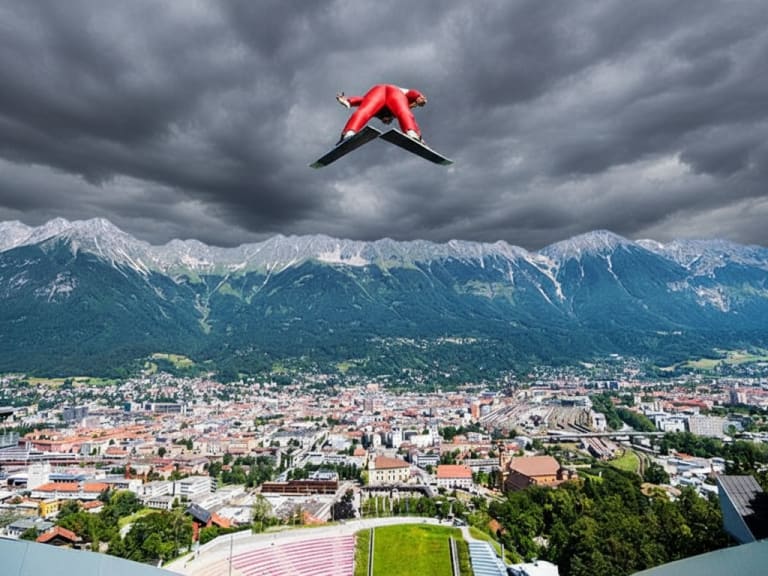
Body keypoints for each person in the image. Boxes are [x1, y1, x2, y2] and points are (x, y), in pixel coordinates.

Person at [335, 84, 427, 144]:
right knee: (403, 111)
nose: (387, 122)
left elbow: (363, 101)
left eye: (385, 121)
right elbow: (410, 92)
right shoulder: (394, 110)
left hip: (377, 91)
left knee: (364, 111)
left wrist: (349, 101)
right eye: (388, 121)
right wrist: (418, 96)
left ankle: (348, 133)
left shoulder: (377, 111)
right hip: (394, 91)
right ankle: (412, 133)